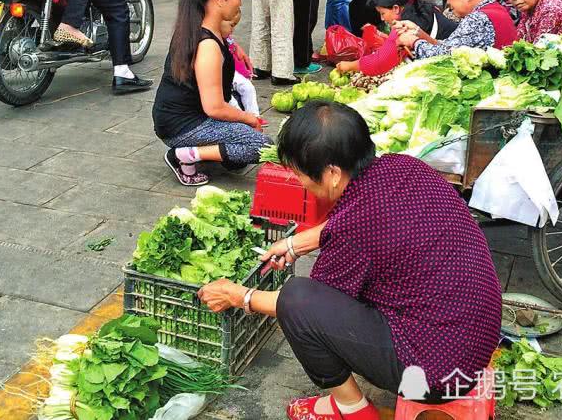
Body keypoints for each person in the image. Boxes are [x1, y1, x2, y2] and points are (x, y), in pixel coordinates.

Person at [197, 102, 502, 419]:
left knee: (296, 299)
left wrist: (240, 296)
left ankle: (352, 410)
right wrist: (296, 242)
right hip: (477, 336)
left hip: (436, 372)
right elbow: (363, 220)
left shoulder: (354, 229)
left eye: (301, 175)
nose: (301, 183)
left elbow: (310, 307)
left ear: (331, 173)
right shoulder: (404, 168)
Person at [153, 0, 268, 186]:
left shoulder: (201, 27)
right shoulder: (207, 46)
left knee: (238, 159)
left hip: (183, 118)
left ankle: (198, 151)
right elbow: (214, 107)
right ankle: (181, 155)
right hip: (183, 125)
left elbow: (227, 37)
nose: (240, 3)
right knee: (261, 146)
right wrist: (250, 118)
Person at [336, 0, 456, 76]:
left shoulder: (405, 24)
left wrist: (349, 65)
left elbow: (380, 62)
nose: (382, 19)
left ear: (396, 8)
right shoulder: (413, 5)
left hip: (454, 58)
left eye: (383, 13)